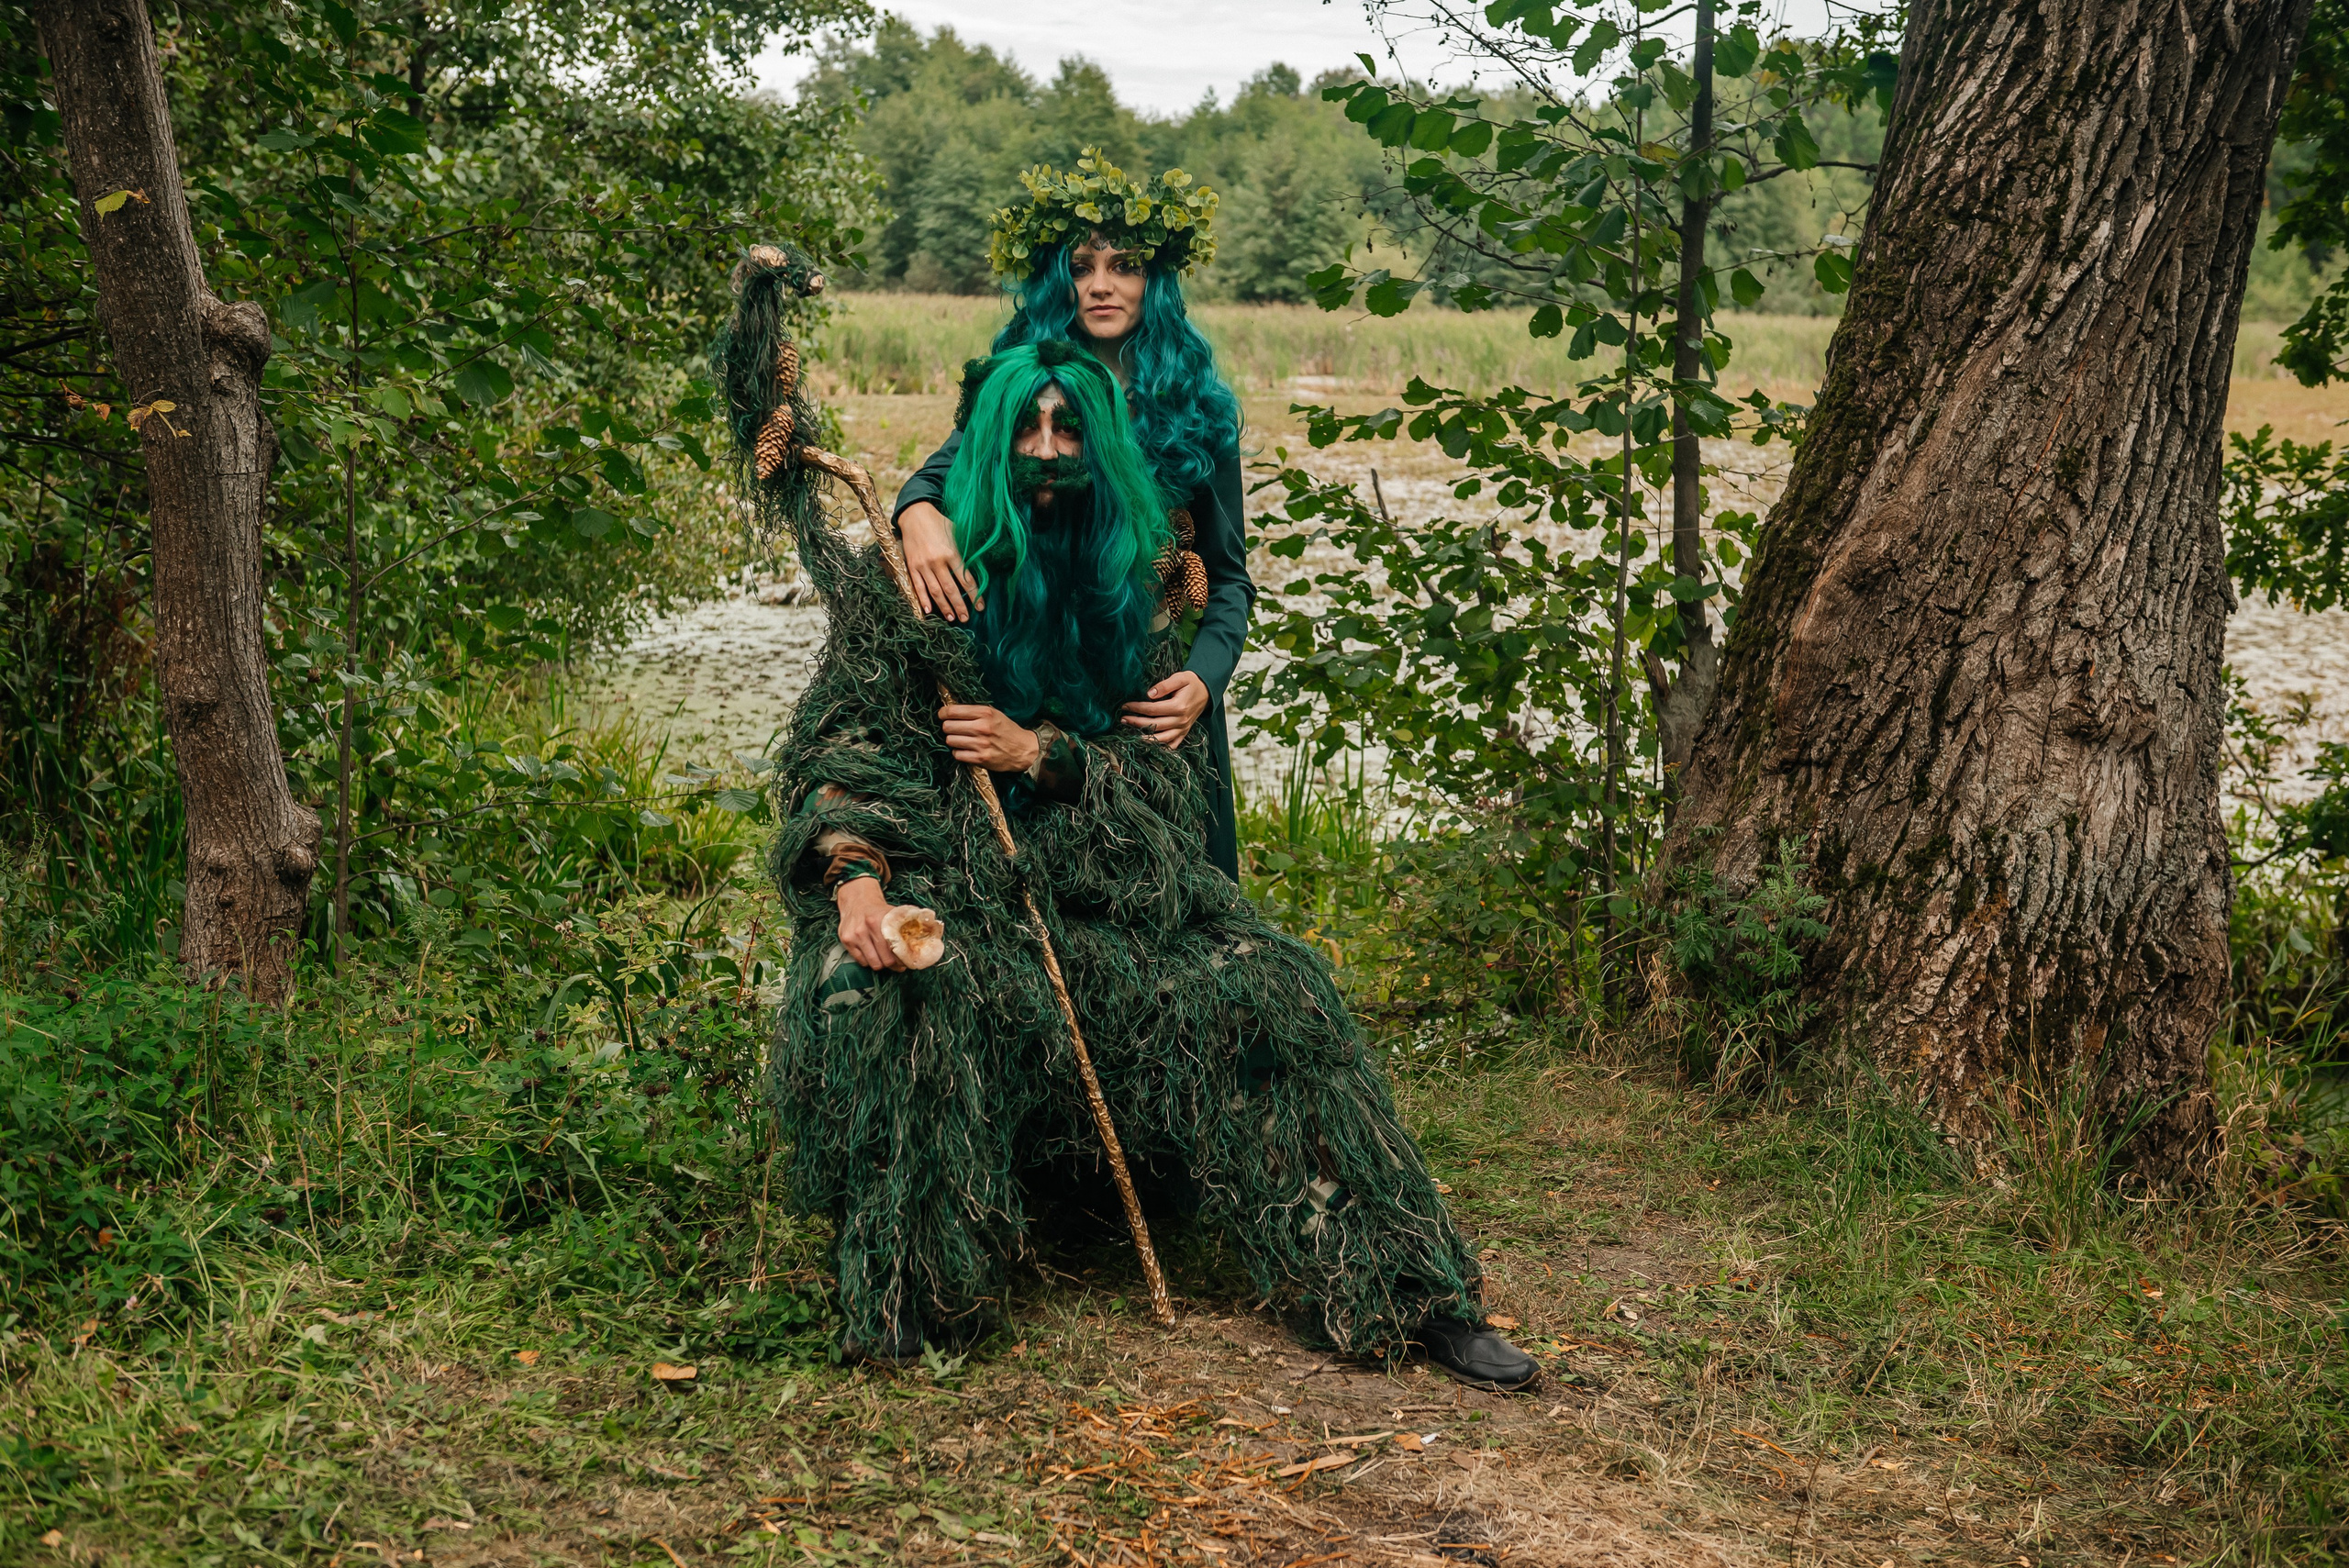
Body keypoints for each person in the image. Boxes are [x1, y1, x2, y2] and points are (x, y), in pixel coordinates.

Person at [718, 259, 1538, 1388]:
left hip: (1110, 883)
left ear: (1098, 445)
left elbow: (1155, 787)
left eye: (1069, 431)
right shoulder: (916, 582)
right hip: (953, 872)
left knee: (1272, 983)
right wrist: (857, 877)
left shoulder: (1147, 585)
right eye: (1027, 430)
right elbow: (845, 749)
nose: (1048, 451)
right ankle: (916, 1287)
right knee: (910, 990)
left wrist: (1041, 754)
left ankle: (1409, 1289)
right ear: (991, 441)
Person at [891, 150, 1252, 881]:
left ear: (1157, 282)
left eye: (1123, 266)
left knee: (1174, 893)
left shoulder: (1197, 413)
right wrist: (917, 513)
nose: (1100, 285)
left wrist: (1205, 679)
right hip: (1042, 664)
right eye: (1083, 266)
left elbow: (1230, 578)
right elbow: (937, 475)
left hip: (1148, 676)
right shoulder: (1027, 386)